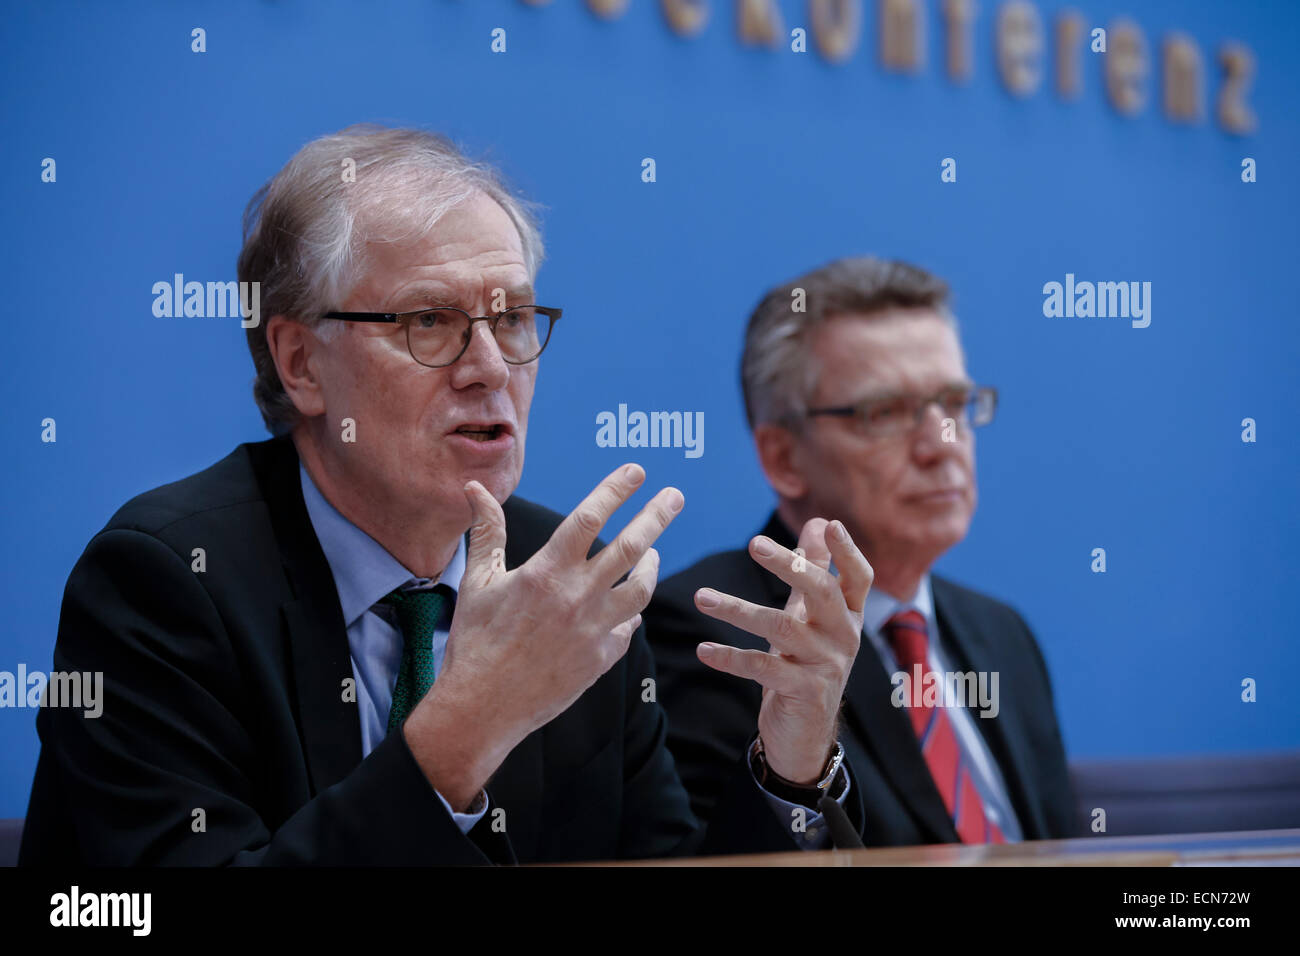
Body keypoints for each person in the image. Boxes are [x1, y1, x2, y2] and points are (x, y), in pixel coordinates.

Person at [18, 125, 873, 865]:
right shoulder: (168, 582)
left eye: (513, 319)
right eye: (429, 321)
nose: (490, 368)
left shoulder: (568, 586)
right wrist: (467, 726)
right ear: (301, 363)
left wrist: (792, 765)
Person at [647, 257, 1076, 846]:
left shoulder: (1003, 634)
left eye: (954, 404)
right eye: (886, 413)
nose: (941, 445)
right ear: (784, 458)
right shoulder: (721, 631)